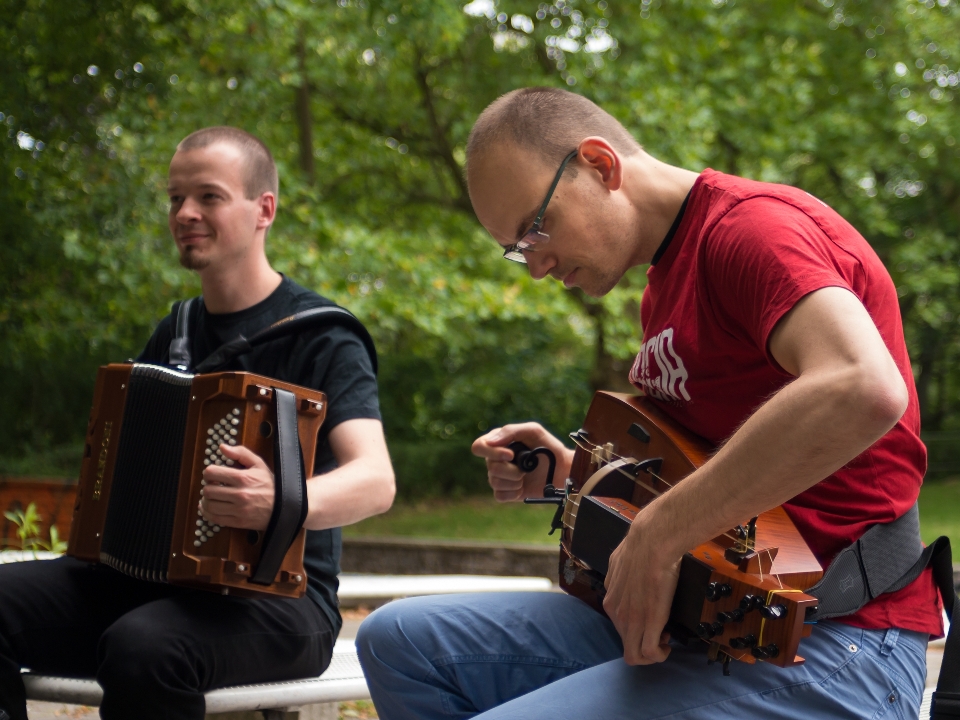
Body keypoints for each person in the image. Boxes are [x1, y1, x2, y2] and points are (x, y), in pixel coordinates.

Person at [355, 87, 941, 719]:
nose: (535, 267)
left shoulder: (753, 231)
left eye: (535, 228)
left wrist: (661, 534)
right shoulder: (661, 289)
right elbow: (706, 467)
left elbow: (861, 386)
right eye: (517, 248)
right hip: (706, 624)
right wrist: (578, 477)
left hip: (840, 638)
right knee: (397, 641)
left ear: (600, 165)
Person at [0, 127, 396, 720]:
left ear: (264, 209)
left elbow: (376, 481)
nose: (185, 213)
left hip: (281, 601)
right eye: (175, 199)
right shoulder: (177, 330)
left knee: (145, 648)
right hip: (155, 587)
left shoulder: (322, 335)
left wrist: (279, 500)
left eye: (208, 197)